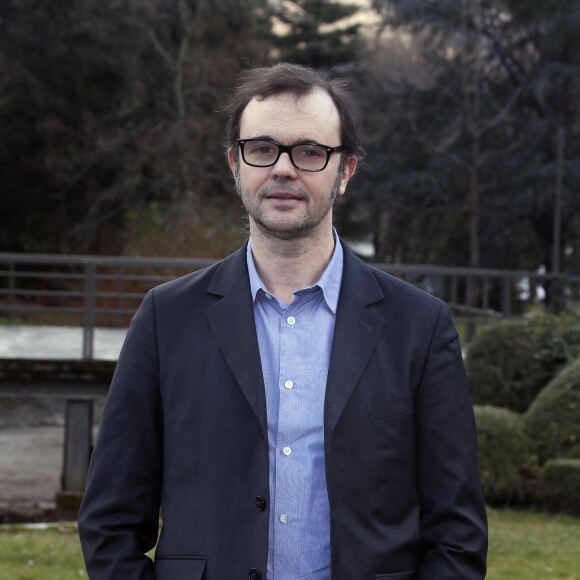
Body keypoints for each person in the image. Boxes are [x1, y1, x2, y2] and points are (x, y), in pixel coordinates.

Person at [78, 62, 488, 580]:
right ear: (235, 163)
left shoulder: (420, 327)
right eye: (263, 148)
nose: (283, 169)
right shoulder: (166, 318)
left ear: (346, 171)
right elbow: (109, 520)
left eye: (311, 152)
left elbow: (457, 533)